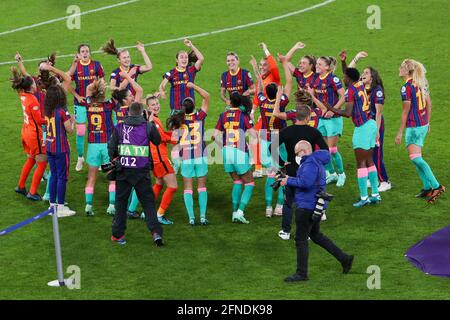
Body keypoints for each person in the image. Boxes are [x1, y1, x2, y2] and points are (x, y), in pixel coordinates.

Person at [280, 140, 353, 282]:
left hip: (307, 207)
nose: (296, 156)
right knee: (316, 236)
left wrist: (288, 181)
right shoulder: (315, 162)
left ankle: (302, 273)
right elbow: (306, 181)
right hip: (314, 205)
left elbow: (305, 183)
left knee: (301, 240)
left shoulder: (309, 164)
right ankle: (344, 258)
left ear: (303, 151)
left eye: (296, 153)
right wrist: (289, 178)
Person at [275, 92, 329, 240]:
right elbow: (326, 151)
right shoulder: (314, 132)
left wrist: (282, 162)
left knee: (288, 202)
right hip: (309, 171)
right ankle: (308, 233)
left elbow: (271, 148)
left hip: (291, 170)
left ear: (295, 117)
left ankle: (285, 232)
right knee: (307, 203)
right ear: (307, 117)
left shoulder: (286, 131)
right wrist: (316, 162)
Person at [324, 68, 381, 207]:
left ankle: (364, 197)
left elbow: (348, 112)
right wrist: (344, 62)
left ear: (348, 79)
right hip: (371, 124)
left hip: (362, 129)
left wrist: (331, 108)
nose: (343, 79)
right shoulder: (360, 84)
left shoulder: (351, 91)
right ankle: (375, 194)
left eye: (344, 77)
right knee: (369, 161)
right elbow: (350, 72)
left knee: (361, 163)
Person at [108, 102, 163, 246]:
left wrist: (115, 160)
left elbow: (111, 147)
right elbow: (158, 141)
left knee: (121, 204)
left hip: (123, 171)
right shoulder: (148, 126)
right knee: (148, 204)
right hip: (142, 171)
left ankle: (118, 235)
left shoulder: (120, 127)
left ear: (129, 113)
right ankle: (156, 233)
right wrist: (149, 122)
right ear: (142, 113)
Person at [339, 50, 391, 192]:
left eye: (366, 73)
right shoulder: (360, 86)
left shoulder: (377, 91)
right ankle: (371, 178)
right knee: (368, 152)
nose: (363, 74)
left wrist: (377, 133)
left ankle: (384, 180)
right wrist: (354, 59)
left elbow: (379, 113)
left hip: (375, 124)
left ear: (373, 76)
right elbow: (348, 74)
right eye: (363, 72)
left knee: (376, 152)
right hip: (366, 124)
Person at [395, 59, 445, 203]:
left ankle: (436, 186)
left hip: (414, 126)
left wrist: (399, 132)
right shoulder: (421, 84)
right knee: (416, 157)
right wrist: (427, 122)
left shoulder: (406, 88)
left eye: (401, 67)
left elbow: (405, 112)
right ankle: (427, 187)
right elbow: (429, 105)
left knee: (415, 158)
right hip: (422, 124)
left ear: (407, 70)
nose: (399, 69)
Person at [126, 94, 178, 224]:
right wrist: (176, 139)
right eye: (153, 104)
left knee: (159, 184)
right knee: (173, 186)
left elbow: (162, 134)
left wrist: (172, 134)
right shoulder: (153, 121)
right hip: (160, 158)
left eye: (157, 103)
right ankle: (159, 215)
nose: (156, 106)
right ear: (147, 107)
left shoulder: (152, 119)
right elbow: (161, 138)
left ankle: (146, 212)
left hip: (153, 158)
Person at [250, 55, 290, 218]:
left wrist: (255, 69)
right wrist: (285, 65)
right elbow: (288, 84)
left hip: (266, 138)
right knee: (282, 172)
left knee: (271, 173)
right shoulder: (281, 103)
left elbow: (259, 88)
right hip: (278, 140)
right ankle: (279, 206)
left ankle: (268, 207)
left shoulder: (262, 101)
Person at [168, 83, 210, 225]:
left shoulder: (179, 119)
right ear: (193, 105)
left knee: (188, 188)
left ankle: (191, 218)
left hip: (186, 157)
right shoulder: (199, 116)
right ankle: (203, 216)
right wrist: (194, 86)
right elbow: (207, 96)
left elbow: (173, 138)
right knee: (202, 187)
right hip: (201, 156)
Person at [213, 92, 257, 224]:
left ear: (230, 101)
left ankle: (234, 212)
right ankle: (240, 212)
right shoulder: (244, 116)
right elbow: (254, 135)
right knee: (249, 183)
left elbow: (215, 136)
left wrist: (223, 148)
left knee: (237, 181)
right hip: (239, 151)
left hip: (227, 151)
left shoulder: (223, 115)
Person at [67, 44, 105, 172]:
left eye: (87, 51)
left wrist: (98, 97)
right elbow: (67, 84)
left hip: (95, 104)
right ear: (78, 53)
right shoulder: (75, 66)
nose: (85, 53)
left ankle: (99, 159)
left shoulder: (97, 65)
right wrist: (77, 96)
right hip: (80, 103)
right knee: (81, 131)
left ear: (90, 53)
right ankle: (80, 157)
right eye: (82, 51)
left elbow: (102, 82)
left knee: (97, 130)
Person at [11, 67, 48, 201]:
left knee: (31, 159)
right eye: (33, 83)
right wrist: (50, 120)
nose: (35, 84)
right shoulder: (33, 100)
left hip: (25, 131)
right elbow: (39, 120)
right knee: (43, 163)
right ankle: (32, 192)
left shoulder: (22, 95)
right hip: (34, 134)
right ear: (30, 86)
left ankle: (21, 186)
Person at [310, 56, 346, 187]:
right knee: (324, 149)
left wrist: (334, 110)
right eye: (317, 64)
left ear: (327, 67)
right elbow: (314, 99)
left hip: (333, 119)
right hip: (322, 118)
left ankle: (342, 174)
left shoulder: (333, 79)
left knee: (332, 149)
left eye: (320, 64)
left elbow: (344, 96)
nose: (317, 66)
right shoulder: (315, 79)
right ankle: (332, 173)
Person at [84, 79, 116, 216]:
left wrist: (94, 88)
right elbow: (117, 95)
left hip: (93, 146)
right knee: (112, 177)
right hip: (107, 146)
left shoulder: (87, 104)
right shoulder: (108, 105)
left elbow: (87, 91)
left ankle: (88, 206)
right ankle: (111, 205)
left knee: (91, 178)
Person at [44, 84, 76, 217]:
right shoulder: (62, 112)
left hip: (50, 147)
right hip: (61, 149)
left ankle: (52, 206)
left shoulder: (47, 110)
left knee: (54, 175)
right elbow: (69, 130)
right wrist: (72, 120)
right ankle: (61, 208)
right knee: (62, 177)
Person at [251, 43, 281, 178]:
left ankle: (273, 167)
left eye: (264, 65)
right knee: (256, 137)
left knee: (272, 140)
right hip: (265, 114)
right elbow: (258, 96)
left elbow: (274, 65)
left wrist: (265, 49)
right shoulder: (261, 80)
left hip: (274, 116)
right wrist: (253, 111)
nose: (262, 67)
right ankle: (261, 167)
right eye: (260, 65)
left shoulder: (274, 76)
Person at [159, 39, 204, 112]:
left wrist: (191, 46)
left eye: (186, 57)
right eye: (181, 57)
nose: (184, 59)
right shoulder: (171, 72)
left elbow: (201, 59)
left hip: (190, 110)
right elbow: (162, 85)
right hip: (176, 110)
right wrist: (162, 91)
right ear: (177, 60)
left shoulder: (191, 70)